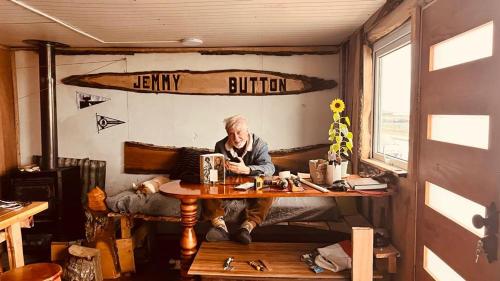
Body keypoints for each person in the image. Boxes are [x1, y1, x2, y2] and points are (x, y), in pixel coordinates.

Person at [202, 115, 275, 244]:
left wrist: (247, 170)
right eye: (231, 134)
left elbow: (270, 168)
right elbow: (216, 173)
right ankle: (220, 227)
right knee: (207, 185)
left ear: (247, 131)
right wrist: (216, 170)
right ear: (227, 134)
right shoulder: (220, 145)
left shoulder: (260, 145)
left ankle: (247, 228)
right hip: (228, 188)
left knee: (269, 190)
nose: (236, 138)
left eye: (239, 132)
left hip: (252, 189)